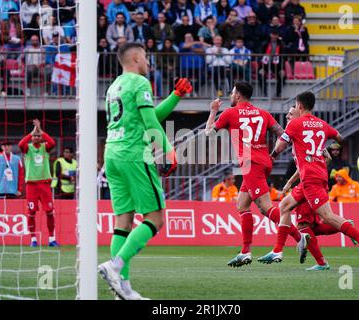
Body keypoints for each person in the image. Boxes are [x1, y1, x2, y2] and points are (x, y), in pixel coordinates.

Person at [97, 42, 193, 300]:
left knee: (123, 222)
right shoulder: (140, 83)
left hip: (112, 155)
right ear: (137, 57)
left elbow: (148, 115)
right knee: (156, 217)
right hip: (134, 155)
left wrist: (175, 96)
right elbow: (150, 122)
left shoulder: (114, 85)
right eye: (147, 57)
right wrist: (169, 150)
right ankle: (114, 266)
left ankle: (123, 290)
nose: (149, 63)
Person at [258, 91, 359, 264]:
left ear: (300, 106)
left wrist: (272, 156)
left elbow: (280, 146)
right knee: (285, 206)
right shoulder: (322, 124)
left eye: (295, 106)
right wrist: (320, 147)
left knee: (326, 216)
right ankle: (277, 251)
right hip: (313, 175)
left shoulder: (295, 125)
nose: (293, 111)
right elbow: (339, 137)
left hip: (311, 177)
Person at [205, 82, 304, 268]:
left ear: (238, 95)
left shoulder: (229, 113)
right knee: (242, 204)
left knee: (266, 207)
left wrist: (213, 111)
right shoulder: (263, 113)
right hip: (264, 161)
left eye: (232, 93)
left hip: (251, 164)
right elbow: (283, 134)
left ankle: (299, 237)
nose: (230, 96)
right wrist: (274, 155)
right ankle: (245, 251)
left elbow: (209, 133)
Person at [18, 119, 58, 247]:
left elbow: (52, 142)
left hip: (45, 184)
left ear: (41, 137)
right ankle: (33, 239)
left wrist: (40, 130)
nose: (36, 137)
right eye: (34, 136)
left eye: (38, 136)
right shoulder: (27, 148)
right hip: (31, 185)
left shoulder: (45, 147)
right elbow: (20, 144)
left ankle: (51, 238)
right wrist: (31, 133)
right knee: (31, 213)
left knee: (50, 212)